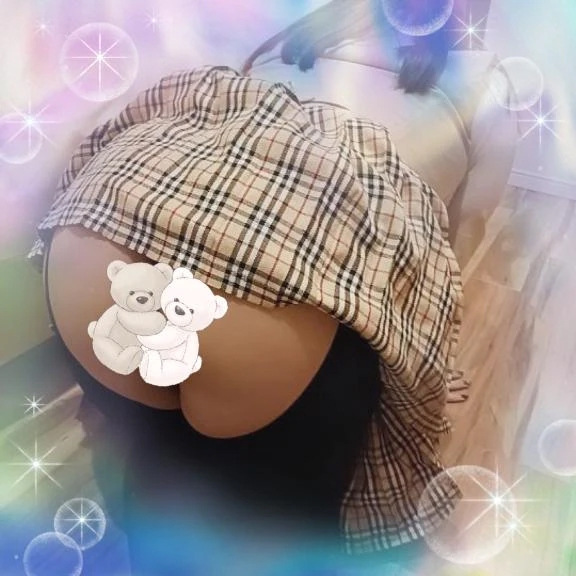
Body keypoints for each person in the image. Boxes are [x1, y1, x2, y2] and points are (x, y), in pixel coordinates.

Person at [33, 1, 465, 573]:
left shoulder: (276, 50)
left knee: (151, 456)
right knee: (282, 520)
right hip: (274, 277)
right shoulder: (475, 87)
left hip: (104, 219)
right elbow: (455, 252)